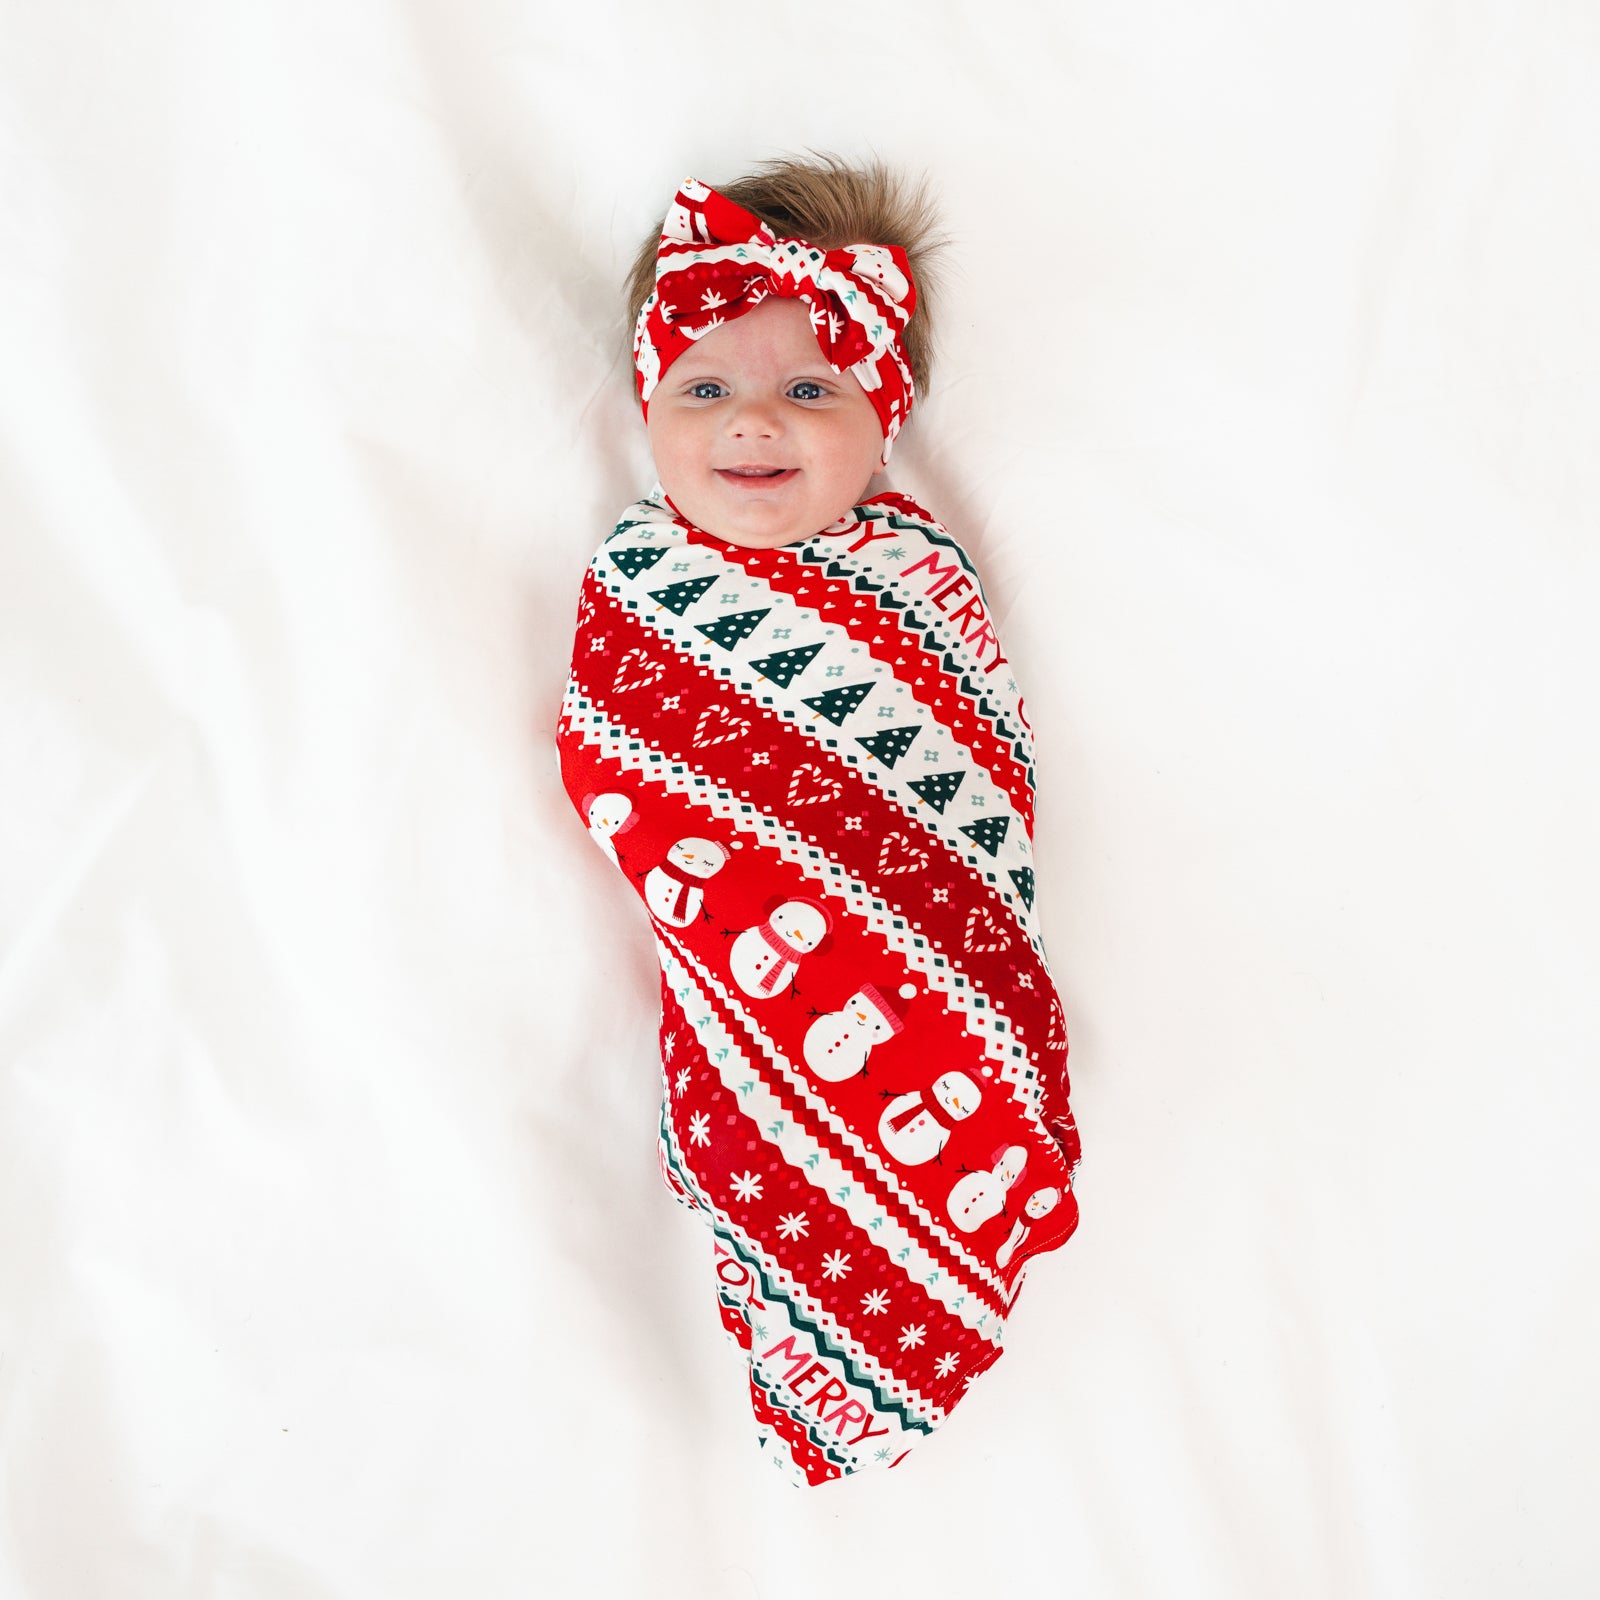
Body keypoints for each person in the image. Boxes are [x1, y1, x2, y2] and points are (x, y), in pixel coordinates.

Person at [555, 153, 1081, 1486]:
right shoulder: (644, 584)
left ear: (884, 412)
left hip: (932, 982)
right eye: (707, 387)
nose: (753, 424)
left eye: (810, 389)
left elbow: (973, 793)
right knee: (768, 1102)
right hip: (760, 988)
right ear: (650, 403)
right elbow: (628, 767)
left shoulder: (923, 589)